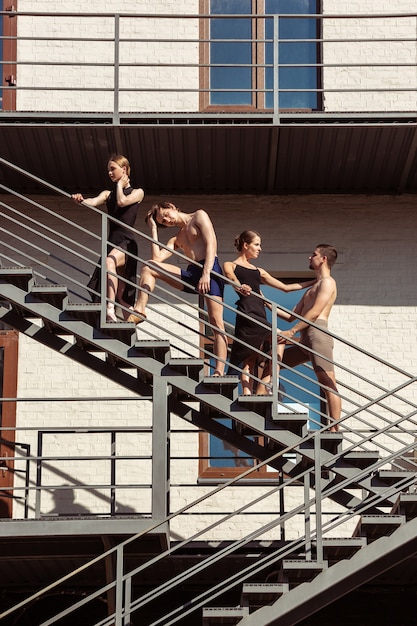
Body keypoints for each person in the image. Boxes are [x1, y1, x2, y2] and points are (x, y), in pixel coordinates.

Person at [127, 202, 228, 376]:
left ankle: (219, 371)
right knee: (149, 267)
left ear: (172, 207)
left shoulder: (199, 215)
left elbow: (212, 243)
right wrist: (153, 228)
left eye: (166, 215)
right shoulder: (176, 238)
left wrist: (206, 274)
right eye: (163, 222)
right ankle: (140, 310)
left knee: (216, 323)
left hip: (210, 270)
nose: (167, 220)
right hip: (192, 274)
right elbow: (157, 258)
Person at [223, 230, 316, 395]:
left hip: (260, 312)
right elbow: (231, 278)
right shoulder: (231, 265)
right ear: (246, 245)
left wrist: (315, 281)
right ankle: (250, 392)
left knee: (255, 354)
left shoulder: (259, 271)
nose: (260, 248)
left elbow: (286, 288)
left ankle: (267, 383)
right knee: (263, 347)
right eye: (257, 244)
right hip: (247, 314)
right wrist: (240, 286)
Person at [72, 154, 144, 321]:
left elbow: (122, 202)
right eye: (108, 170)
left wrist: (120, 184)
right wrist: (81, 200)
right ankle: (131, 328)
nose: (110, 173)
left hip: (127, 242)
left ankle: (109, 309)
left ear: (124, 169)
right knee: (121, 292)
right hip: (112, 241)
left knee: (109, 261)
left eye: (113, 169)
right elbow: (93, 201)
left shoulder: (138, 192)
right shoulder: (107, 194)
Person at [277, 244, 341, 432]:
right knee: (271, 360)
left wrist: (292, 331)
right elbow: (291, 315)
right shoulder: (311, 288)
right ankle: (267, 391)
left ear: (324, 259)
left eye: (313, 254)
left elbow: (314, 313)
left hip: (317, 334)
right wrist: (262, 300)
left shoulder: (328, 282)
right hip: (306, 337)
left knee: (327, 382)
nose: (309, 257)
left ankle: (334, 428)